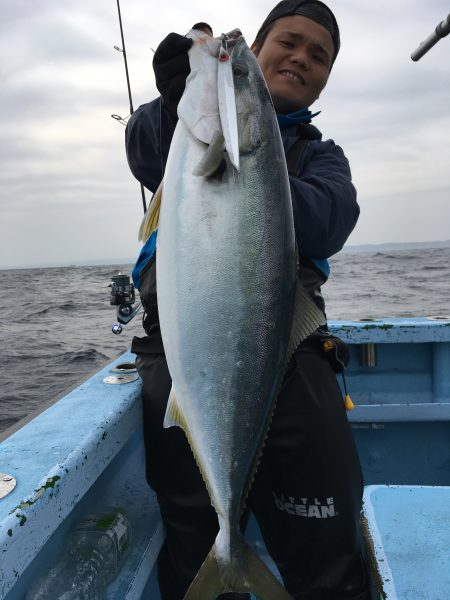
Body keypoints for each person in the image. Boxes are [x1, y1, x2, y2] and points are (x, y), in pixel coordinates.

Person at [125, 1, 371, 598]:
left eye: (319, 56)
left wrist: (252, 161)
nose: (301, 59)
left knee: (329, 545)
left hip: (288, 356)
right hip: (183, 360)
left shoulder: (322, 158)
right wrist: (175, 97)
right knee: (190, 535)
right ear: (259, 50)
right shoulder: (183, 137)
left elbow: (332, 219)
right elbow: (142, 149)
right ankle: (217, 556)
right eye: (289, 42)